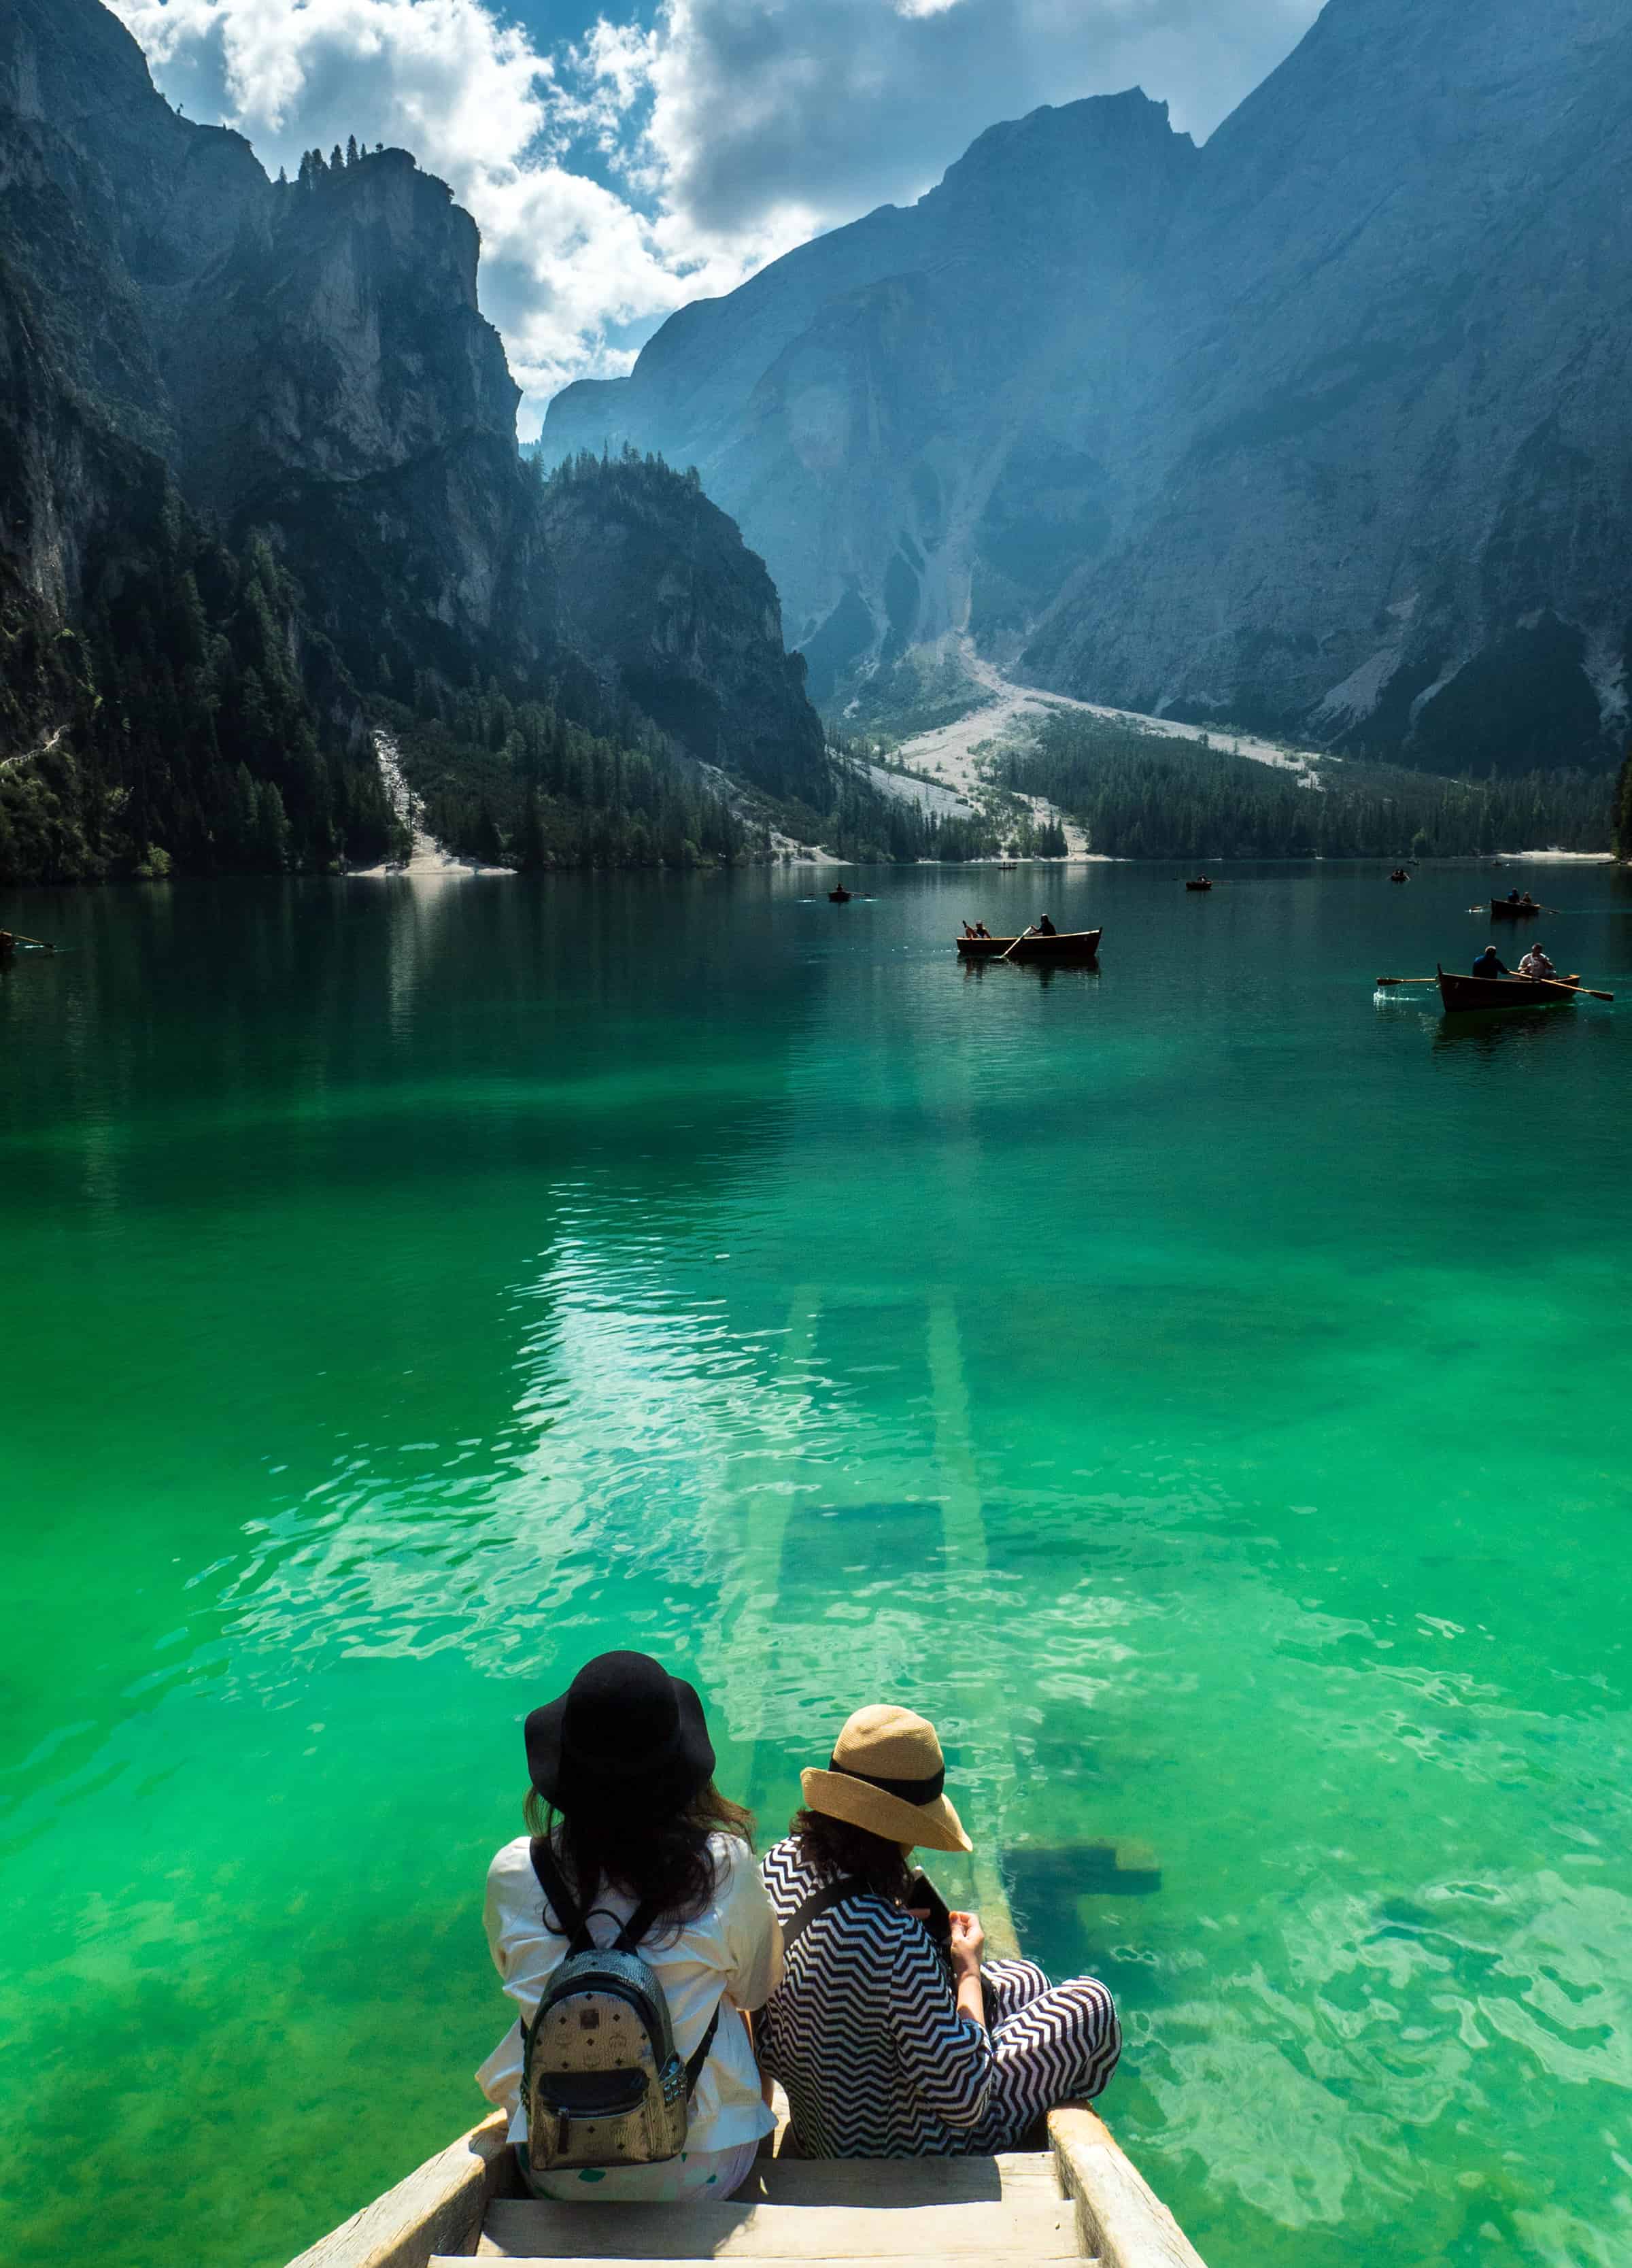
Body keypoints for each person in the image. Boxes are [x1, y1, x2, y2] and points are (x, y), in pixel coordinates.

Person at [477, 1652, 781, 2201]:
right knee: (731, 1999)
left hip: (555, 2166)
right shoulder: (725, 1866)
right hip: (702, 2175)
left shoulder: (514, 1871)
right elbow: (757, 1989)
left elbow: (509, 1968)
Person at [757, 1705, 1120, 2158]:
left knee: (1026, 1980)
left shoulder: (778, 1864)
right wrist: (966, 1971)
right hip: (901, 2147)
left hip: (822, 2117)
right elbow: (967, 2099)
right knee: (1092, 2006)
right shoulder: (893, 1940)